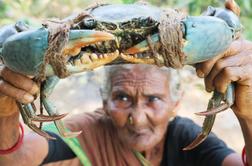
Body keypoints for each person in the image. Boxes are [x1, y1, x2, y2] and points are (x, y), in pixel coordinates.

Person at [0, 36, 252, 166]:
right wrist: (5, 113)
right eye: (122, 97)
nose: (137, 118)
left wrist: (249, 115)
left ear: (176, 103)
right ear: (104, 102)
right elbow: (13, 159)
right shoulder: (88, 130)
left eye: (153, 99)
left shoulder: (187, 139)